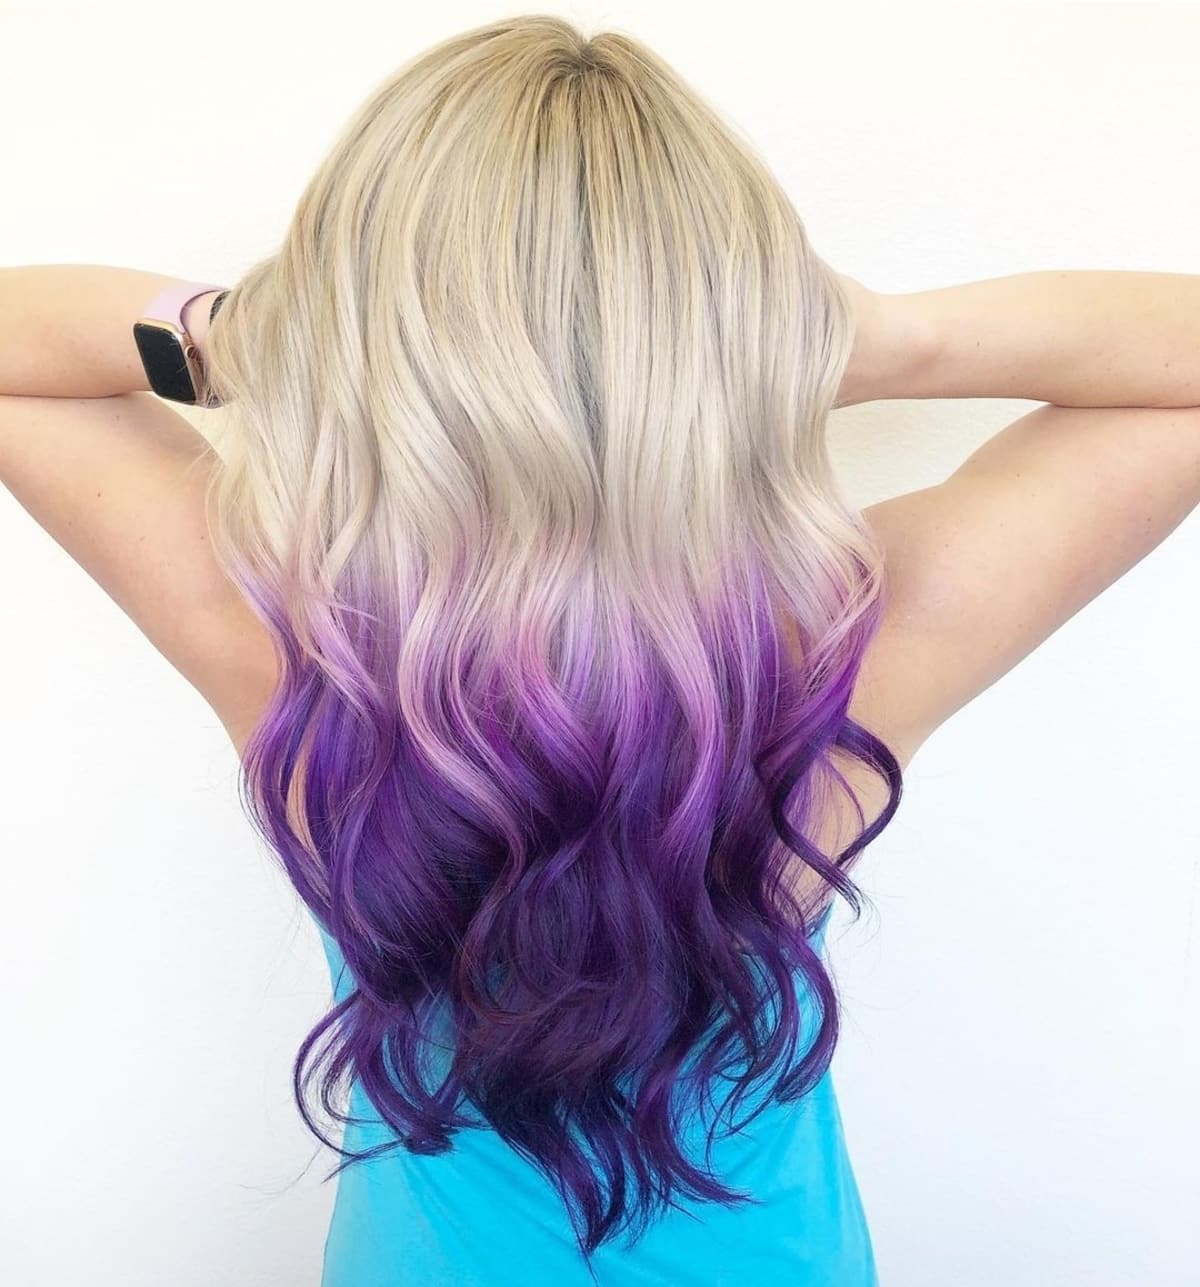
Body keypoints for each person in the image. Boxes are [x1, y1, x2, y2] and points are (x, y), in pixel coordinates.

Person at [3, 14, 1198, 1286]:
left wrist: (257, 334)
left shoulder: (302, 643)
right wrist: (872, 338)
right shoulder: (852, 641)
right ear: (733, 326)